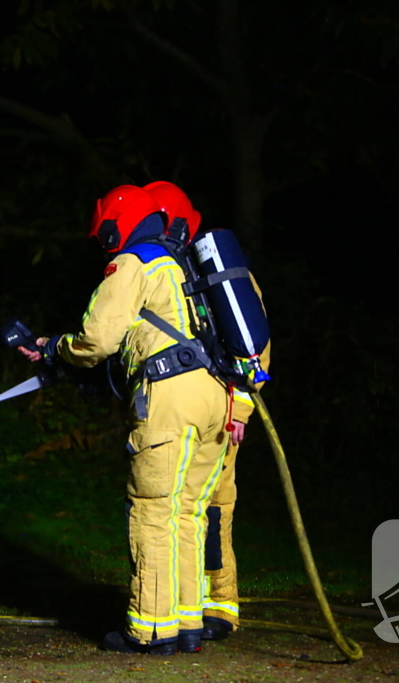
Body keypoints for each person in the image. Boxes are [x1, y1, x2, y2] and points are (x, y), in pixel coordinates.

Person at [20, 185, 235, 655]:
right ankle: (189, 623)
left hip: (171, 396)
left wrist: (56, 347)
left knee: (153, 508)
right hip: (220, 397)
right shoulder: (195, 269)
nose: (105, 247)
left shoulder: (137, 263)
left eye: (104, 237)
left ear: (119, 224)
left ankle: (153, 630)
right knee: (191, 512)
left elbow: (96, 340)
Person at [142, 181, 271, 642]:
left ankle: (198, 612)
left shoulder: (172, 272)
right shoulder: (219, 274)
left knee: (192, 512)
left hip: (203, 410)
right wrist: (238, 407)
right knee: (212, 510)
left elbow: (253, 348)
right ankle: (213, 610)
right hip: (225, 409)